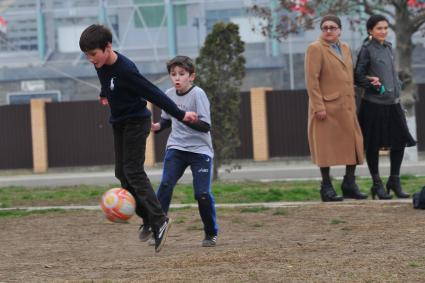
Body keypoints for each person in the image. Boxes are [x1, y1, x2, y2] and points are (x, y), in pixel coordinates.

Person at [79, 24, 198, 252]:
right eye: (86, 56)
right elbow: (107, 80)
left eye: (93, 54)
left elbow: (154, 94)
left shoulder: (126, 70)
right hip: (120, 123)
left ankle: (160, 220)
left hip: (136, 122)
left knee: (133, 171)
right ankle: (148, 218)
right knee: (121, 174)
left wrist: (181, 114)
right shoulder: (100, 63)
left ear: (108, 47)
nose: (90, 60)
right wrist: (105, 93)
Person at [151, 55, 218, 247]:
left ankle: (211, 233)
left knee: (202, 194)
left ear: (192, 76)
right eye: (173, 74)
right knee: (165, 185)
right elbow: (166, 119)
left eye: (182, 74)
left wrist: (186, 118)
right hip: (177, 148)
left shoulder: (198, 95)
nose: (177, 78)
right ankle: (158, 227)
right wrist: (157, 126)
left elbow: (205, 126)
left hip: (200, 151)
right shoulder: (169, 94)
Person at [304, 15, 366, 202]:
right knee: (325, 149)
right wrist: (318, 106)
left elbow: (349, 75)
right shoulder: (315, 48)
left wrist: (368, 81)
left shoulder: (345, 47)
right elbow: (311, 81)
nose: (328, 31)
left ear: (339, 30)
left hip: (347, 106)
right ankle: (326, 187)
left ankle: (349, 183)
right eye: (324, 28)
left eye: (332, 27)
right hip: (326, 108)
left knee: (355, 144)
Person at [354, 14, 416, 200]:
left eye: (385, 28)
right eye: (379, 28)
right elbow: (357, 76)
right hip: (373, 105)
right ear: (370, 30)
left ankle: (394, 181)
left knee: (400, 141)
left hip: (393, 103)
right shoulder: (366, 49)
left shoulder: (389, 47)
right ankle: (377, 184)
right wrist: (372, 84)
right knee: (372, 145)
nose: (383, 31)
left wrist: (398, 86)